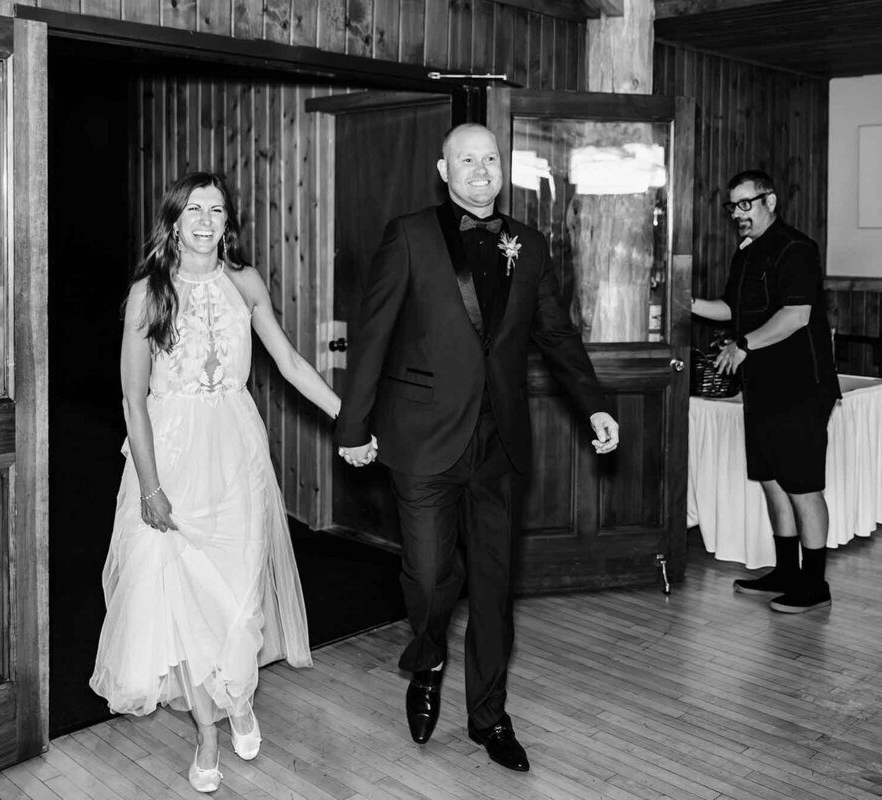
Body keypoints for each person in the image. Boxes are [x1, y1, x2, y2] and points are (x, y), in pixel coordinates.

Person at [334, 123, 619, 772]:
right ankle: (428, 656)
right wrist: (353, 426)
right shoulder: (408, 235)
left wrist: (595, 403)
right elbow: (373, 333)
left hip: (499, 445)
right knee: (432, 575)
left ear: (502, 166)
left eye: (490, 158)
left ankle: (490, 718)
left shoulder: (531, 244)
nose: (481, 169)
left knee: (493, 588)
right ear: (445, 169)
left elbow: (557, 335)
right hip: (422, 437)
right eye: (467, 159)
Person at [89, 172, 340, 794]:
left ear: (229, 224)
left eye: (217, 210)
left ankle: (240, 696)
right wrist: (149, 485)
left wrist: (350, 417)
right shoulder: (148, 293)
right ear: (174, 221)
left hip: (235, 451)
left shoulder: (245, 283)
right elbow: (131, 396)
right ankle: (206, 732)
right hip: (170, 457)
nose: (205, 220)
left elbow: (289, 362)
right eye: (193, 209)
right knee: (180, 596)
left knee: (238, 593)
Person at [692, 169, 840, 614]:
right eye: (732, 206)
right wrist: (686, 303)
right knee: (773, 483)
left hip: (801, 387)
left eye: (746, 203)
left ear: (770, 201)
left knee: (802, 486)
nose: (738, 213)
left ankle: (814, 584)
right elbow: (731, 310)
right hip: (761, 387)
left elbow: (796, 315)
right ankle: (785, 572)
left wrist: (745, 344)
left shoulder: (797, 249)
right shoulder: (746, 254)